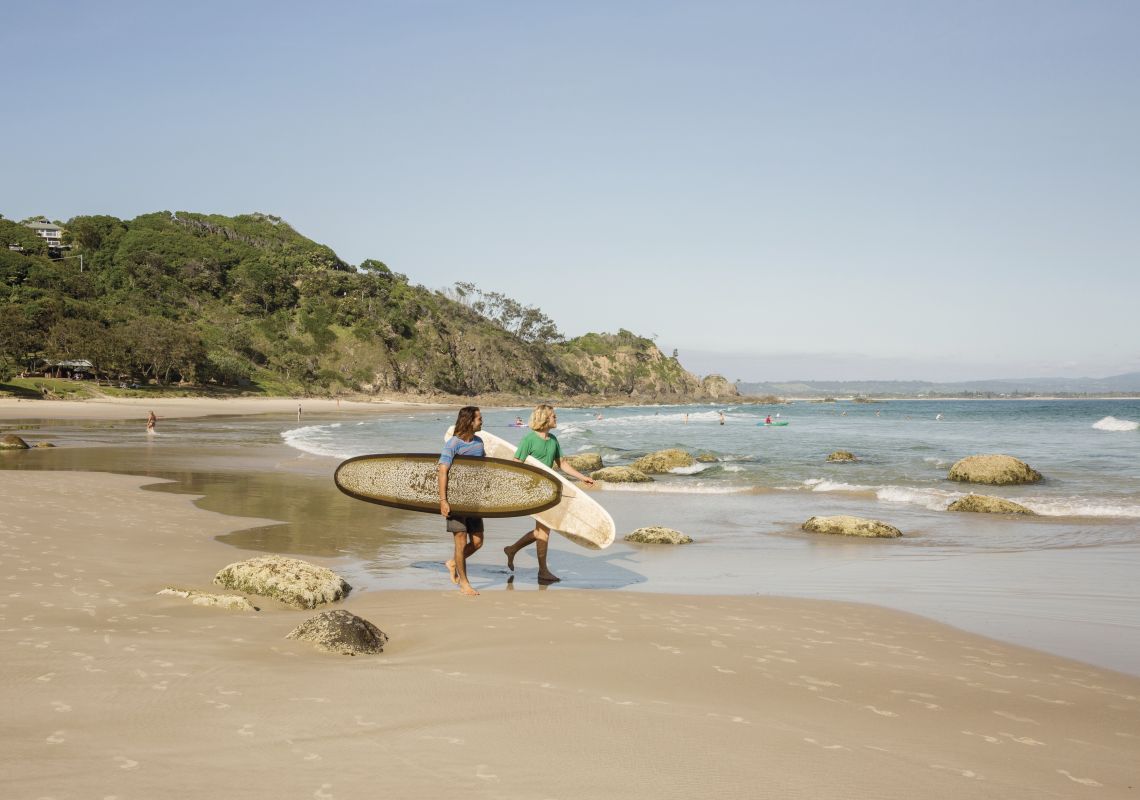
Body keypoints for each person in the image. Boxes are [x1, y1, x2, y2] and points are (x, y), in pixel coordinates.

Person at [504, 404, 595, 583]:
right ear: (544, 419)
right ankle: (543, 571)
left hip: (549, 491)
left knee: (542, 530)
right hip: (534, 491)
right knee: (544, 530)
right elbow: (516, 464)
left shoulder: (553, 440)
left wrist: (582, 477)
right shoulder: (528, 440)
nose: (556, 418)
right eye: (553, 416)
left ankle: (512, 549)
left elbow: (562, 464)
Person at [439, 406, 486, 596]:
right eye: (479, 419)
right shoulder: (453, 444)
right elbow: (442, 471)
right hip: (456, 500)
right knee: (460, 541)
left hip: (473, 499)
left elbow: (483, 469)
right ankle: (464, 583)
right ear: (469, 421)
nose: (482, 421)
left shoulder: (479, 442)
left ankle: (452, 563)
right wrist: (443, 500)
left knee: (477, 542)